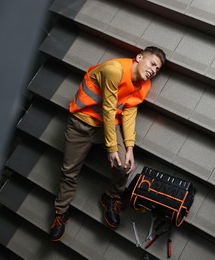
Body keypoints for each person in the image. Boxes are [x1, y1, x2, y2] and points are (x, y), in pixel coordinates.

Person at [50, 46, 166, 242]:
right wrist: (112, 148)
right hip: (81, 125)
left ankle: (111, 197)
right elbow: (109, 108)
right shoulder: (114, 69)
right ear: (138, 57)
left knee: (124, 165)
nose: (154, 70)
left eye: (157, 69)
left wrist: (129, 147)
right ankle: (61, 212)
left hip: (109, 126)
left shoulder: (144, 85)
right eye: (152, 63)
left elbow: (129, 113)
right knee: (69, 171)